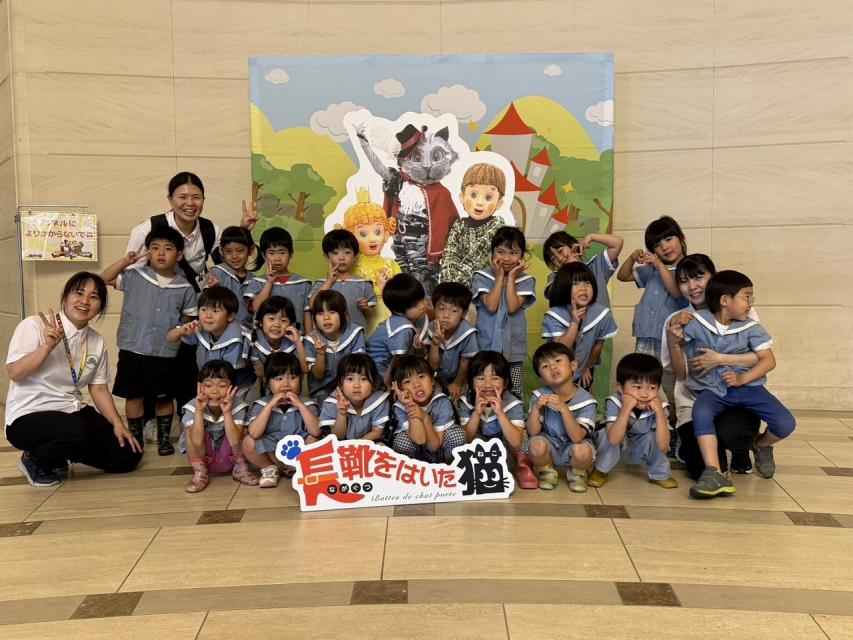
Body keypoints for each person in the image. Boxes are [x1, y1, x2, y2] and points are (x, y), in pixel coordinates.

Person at [125, 172, 258, 423]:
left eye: (196, 197)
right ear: (170, 199)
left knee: (185, 364)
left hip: (191, 309)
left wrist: (243, 228)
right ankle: (151, 420)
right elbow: (131, 277)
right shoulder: (147, 229)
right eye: (182, 197)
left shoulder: (209, 230)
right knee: (152, 365)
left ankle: (189, 419)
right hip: (156, 312)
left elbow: (229, 256)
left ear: (204, 200)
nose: (190, 203)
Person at [5, 272, 141, 486]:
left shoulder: (96, 341)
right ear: (65, 297)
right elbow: (15, 373)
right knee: (77, 431)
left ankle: (59, 452)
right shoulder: (34, 325)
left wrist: (117, 424)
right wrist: (46, 347)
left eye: (94, 297)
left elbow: (98, 389)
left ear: (100, 307)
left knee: (127, 455)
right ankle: (34, 459)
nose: (85, 301)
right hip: (28, 414)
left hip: (71, 410)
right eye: (79, 293)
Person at [669, 270, 796, 499]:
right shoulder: (698, 322)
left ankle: (761, 445)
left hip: (749, 388)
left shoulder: (752, 328)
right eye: (746, 297)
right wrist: (675, 332)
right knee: (701, 412)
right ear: (725, 300)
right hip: (714, 390)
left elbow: (768, 361)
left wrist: (742, 379)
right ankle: (713, 472)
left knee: (786, 423)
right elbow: (679, 348)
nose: (750, 303)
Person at [101, 226, 198, 455]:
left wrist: (176, 331)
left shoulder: (185, 287)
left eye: (168, 248)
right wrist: (125, 261)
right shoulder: (134, 277)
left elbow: (188, 317)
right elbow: (102, 279)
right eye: (155, 248)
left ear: (179, 255)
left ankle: (164, 439)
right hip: (132, 348)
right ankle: (136, 439)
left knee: (164, 397)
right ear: (148, 252)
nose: (160, 253)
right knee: (134, 395)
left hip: (165, 352)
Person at [661, 254, 759, 475]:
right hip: (693, 402)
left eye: (698, 277)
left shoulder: (742, 309)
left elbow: (760, 357)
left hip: (735, 397)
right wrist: (673, 343)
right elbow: (681, 375)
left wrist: (720, 358)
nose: (692, 286)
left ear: (713, 277)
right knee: (701, 469)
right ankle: (701, 448)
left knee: (735, 433)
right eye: (684, 281)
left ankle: (740, 447)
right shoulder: (676, 320)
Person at [616, 215, 687, 400]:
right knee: (644, 376)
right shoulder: (651, 269)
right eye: (657, 245)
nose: (664, 247)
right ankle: (647, 409)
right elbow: (622, 276)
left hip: (671, 336)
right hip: (647, 333)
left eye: (669, 239)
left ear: (681, 238)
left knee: (672, 380)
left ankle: (673, 409)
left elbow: (677, 292)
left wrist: (660, 265)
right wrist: (632, 258)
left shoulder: (688, 268)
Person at [587, 353, 678, 489]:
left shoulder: (659, 406)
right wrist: (626, 408)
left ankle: (660, 474)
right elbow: (613, 439)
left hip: (640, 448)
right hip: (617, 446)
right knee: (606, 433)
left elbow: (664, 445)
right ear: (621, 387)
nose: (644, 394)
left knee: (656, 434)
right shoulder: (614, 401)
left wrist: (659, 412)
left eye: (652, 388)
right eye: (637, 387)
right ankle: (601, 470)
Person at [471, 226, 536, 396]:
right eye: (500, 252)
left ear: (522, 256)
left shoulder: (526, 280)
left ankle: (515, 414)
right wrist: (500, 277)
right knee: (485, 390)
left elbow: (513, 307)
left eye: (513, 253)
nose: (506, 258)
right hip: (486, 346)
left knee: (514, 393)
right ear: (492, 253)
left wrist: (512, 277)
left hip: (514, 348)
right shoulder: (481, 276)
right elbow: (491, 306)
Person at [458, 350, 537, 489]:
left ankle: (523, 466)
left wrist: (500, 412)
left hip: (505, 453)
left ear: (505, 382)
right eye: (481, 378)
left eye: (495, 378)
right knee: (461, 436)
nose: (488, 384)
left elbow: (516, 441)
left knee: (521, 433)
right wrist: (476, 413)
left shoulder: (513, 403)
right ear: (471, 381)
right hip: (480, 452)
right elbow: (466, 439)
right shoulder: (466, 402)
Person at [526, 342, 598, 492]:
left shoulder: (586, 401)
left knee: (582, 451)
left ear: (573, 365)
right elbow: (533, 432)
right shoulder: (539, 396)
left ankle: (578, 473)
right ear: (541, 378)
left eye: (558, 361)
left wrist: (564, 409)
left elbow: (577, 437)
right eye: (545, 366)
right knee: (536, 445)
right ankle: (546, 471)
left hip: (574, 445)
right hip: (550, 443)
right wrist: (537, 409)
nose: (552, 367)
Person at [244, 352, 321, 488]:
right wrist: (269, 407)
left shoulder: (308, 404)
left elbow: (316, 431)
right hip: (272, 454)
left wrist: (300, 406)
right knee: (248, 442)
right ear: (266, 382)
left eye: (292, 377)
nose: (286, 384)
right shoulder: (261, 405)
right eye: (278, 378)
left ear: (300, 379)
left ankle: (301, 469)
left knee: (314, 440)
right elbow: (255, 433)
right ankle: (269, 469)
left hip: (299, 455)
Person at [180, 360, 258, 493]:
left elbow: (234, 441)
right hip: (204, 457)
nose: (215, 391)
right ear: (200, 387)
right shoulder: (193, 406)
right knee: (189, 432)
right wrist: (199, 411)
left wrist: (227, 412)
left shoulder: (238, 406)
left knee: (244, 430)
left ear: (233, 388)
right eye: (208, 385)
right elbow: (197, 441)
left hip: (230, 456)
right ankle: (200, 473)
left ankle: (240, 469)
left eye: (222, 385)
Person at [168, 286, 254, 400]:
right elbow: (170, 338)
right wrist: (181, 331)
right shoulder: (201, 328)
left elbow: (227, 374)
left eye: (215, 311)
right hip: (212, 381)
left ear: (230, 316)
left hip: (237, 384)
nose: (208, 316)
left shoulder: (238, 338)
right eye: (203, 310)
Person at [542, 262, 618, 389]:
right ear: (564, 287)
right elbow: (560, 348)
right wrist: (574, 323)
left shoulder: (601, 313)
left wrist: (587, 367)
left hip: (584, 366)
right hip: (555, 371)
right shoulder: (555, 315)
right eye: (576, 283)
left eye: (587, 283)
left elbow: (598, 344)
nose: (583, 288)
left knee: (584, 392)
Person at [337, 187, 401, 332]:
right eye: (363, 234)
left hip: (392, 321)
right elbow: (354, 295)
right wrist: (379, 288)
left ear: (386, 234)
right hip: (366, 323)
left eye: (377, 232)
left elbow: (402, 293)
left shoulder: (391, 264)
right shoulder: (353, 266)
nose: (372, 239)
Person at [439, 162, 508, 287]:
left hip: (485, 288)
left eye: (488, 197)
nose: (479, 202)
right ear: (462, 197)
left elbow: (478, 259)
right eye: (473, 195)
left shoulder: (498, 227)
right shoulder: (459, 225)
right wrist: (448, 283)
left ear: (499, 203)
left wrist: (455, 285)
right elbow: (450, 256)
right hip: (455, 291)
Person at [389, 355, 466, 463]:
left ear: (432, 380)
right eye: (407, 381)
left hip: (440, 452)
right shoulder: (400, 407)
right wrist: (410, 404)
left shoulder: (442, 401)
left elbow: (434, 446)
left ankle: (450, 468)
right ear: (399, 388)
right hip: (417, 457)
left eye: (421, 376)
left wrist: (424, 417)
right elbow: (420, 439)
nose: (416, 384)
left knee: (457, 434)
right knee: (400, 441)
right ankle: (414, 471)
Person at [244, 227, 313, 333]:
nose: (277, 258)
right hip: (265, 340)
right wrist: (269, 282)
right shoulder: (257, 282)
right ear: (264, 255)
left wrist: (309, 338)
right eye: (271, 253)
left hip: (295, 339)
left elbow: (307, 314)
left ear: (291, 254)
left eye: (282, 252)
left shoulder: (303, 284)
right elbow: (256, 308)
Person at [305, 290, 366, 404]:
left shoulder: (355, 333)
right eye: (320, 313)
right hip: (322, 391)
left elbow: (358, 368)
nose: (326, 317)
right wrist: (320, 354)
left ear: (345, 315)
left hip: (350, 386)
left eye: (332, 312)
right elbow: (318, 376)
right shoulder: (312, 339)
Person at [365, 273, 429, 381]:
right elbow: (397, 360)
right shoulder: (403, 328)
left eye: (422, 298)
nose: (422, 305)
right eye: (414, 305)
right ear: (398, 311)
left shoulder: (418, 317)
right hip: (376, 373)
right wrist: (388, 385)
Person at [308, 229, 376, 329]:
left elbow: (370, 315)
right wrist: (329, 281)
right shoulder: (321, 283)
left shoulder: (363, 283)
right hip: (327, 337)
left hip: (355, 336)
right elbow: (312, 305)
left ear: (355, 256)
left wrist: (365, 308)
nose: (341, 258)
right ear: (327, 257)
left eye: (347, 252)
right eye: (335, 253)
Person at [319, 354, 391, 441]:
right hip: (342, 445)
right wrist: (341, 414)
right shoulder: (332, 402)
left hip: (368, 443)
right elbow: (338, 437)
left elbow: (377, 431)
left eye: (363, 379)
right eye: (350, 379)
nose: (356, 385)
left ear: (374, 383)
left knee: (381, 445)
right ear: (340, 383)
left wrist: (358, 446)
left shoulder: (379, 400)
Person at [426, 282, 479, 402]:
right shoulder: (430, 328)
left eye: (454, 310)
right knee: (434, 400)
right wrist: (435, 345)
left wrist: (457, 383)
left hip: (461, 378)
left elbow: (465, 363)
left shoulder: (468, 333)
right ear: (434, 309)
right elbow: (432, 366)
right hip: (437, 378)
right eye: (441, 308)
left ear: (463, 313)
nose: (446, 315)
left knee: (459, 401)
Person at [542, 230, 623, 307]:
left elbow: (617, 243)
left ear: (572, 245)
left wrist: (591, 237)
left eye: (560, 251)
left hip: (602, 317)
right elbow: (554, 294)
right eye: (553, 259)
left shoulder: (595, 265)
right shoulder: (555, 277)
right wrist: (571, 266)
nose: (559, 258)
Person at [205, 225, 257, 332]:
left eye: (240, 251)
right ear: (221, 251)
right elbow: (205, 305)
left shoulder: (255, 281)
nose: (234, 256)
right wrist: (217, 290)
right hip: (220, 333)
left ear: (251, 250)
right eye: (228, 251)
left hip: (246, 334)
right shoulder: (216, 273)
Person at [248, 296, 308, 387]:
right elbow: (261, 376)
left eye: (283, 320)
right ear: (260, 321)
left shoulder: (296, 340)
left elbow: (304, 370)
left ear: (291, 325)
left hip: (292, 387)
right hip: (268, 386)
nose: (277, 324)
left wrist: (298, 343)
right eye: (271, 319)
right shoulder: (253, 342)